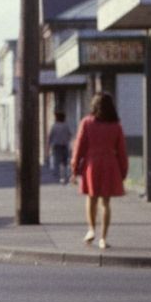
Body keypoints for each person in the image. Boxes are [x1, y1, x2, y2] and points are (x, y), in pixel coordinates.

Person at [70, 91, 128, 250]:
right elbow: (122, 151)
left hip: (92, 165)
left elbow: (79, 147)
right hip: (110, 164)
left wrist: (74, 168)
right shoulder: (116, 126)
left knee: (91, 198)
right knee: (106, 202)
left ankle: (91, 229)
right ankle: (103, 237)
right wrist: (123, 171)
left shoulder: (87, 123)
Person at [47, 111, 72, 184]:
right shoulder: (66, 126)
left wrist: (48, 145)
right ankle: (65, 175)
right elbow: (69, 135)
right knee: (65, 161)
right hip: (64, 145)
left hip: (56, 145)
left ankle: (57, 175)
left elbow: (50, 136)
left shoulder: (54, 126)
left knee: (56, 161)